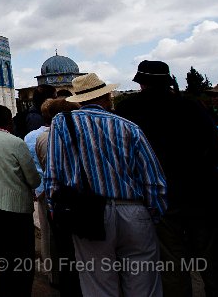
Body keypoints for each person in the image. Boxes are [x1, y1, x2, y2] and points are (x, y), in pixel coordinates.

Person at [46, 72, 167, 297]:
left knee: (99, 286)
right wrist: (152, 215)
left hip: (88, 214)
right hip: (134, 212)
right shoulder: (129, 126)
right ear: (107, 95)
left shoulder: (62, 123)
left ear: (79, 100)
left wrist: (57, 212)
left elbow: (54, 175)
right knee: (144, 287)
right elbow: (153, 180)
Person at [116, 60, 218, 296]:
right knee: (212, 256)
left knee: (171, 260)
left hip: (161, 195)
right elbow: (216, 148)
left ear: (142, 83)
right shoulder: (190, 105)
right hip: (202, 192)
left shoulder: (129, 109)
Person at [0, 102, 40, 297]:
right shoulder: (16, 143)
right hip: (16, 208)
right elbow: (33, 179)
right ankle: (21, 290)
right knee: (21, 253)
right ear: (9, 122)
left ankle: (2, 289)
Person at [34, 98, 82, 295]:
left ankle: (55, 275)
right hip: (82, 201)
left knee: (54, 238)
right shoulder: (83, 134)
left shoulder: (38, 138)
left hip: (54, 198)